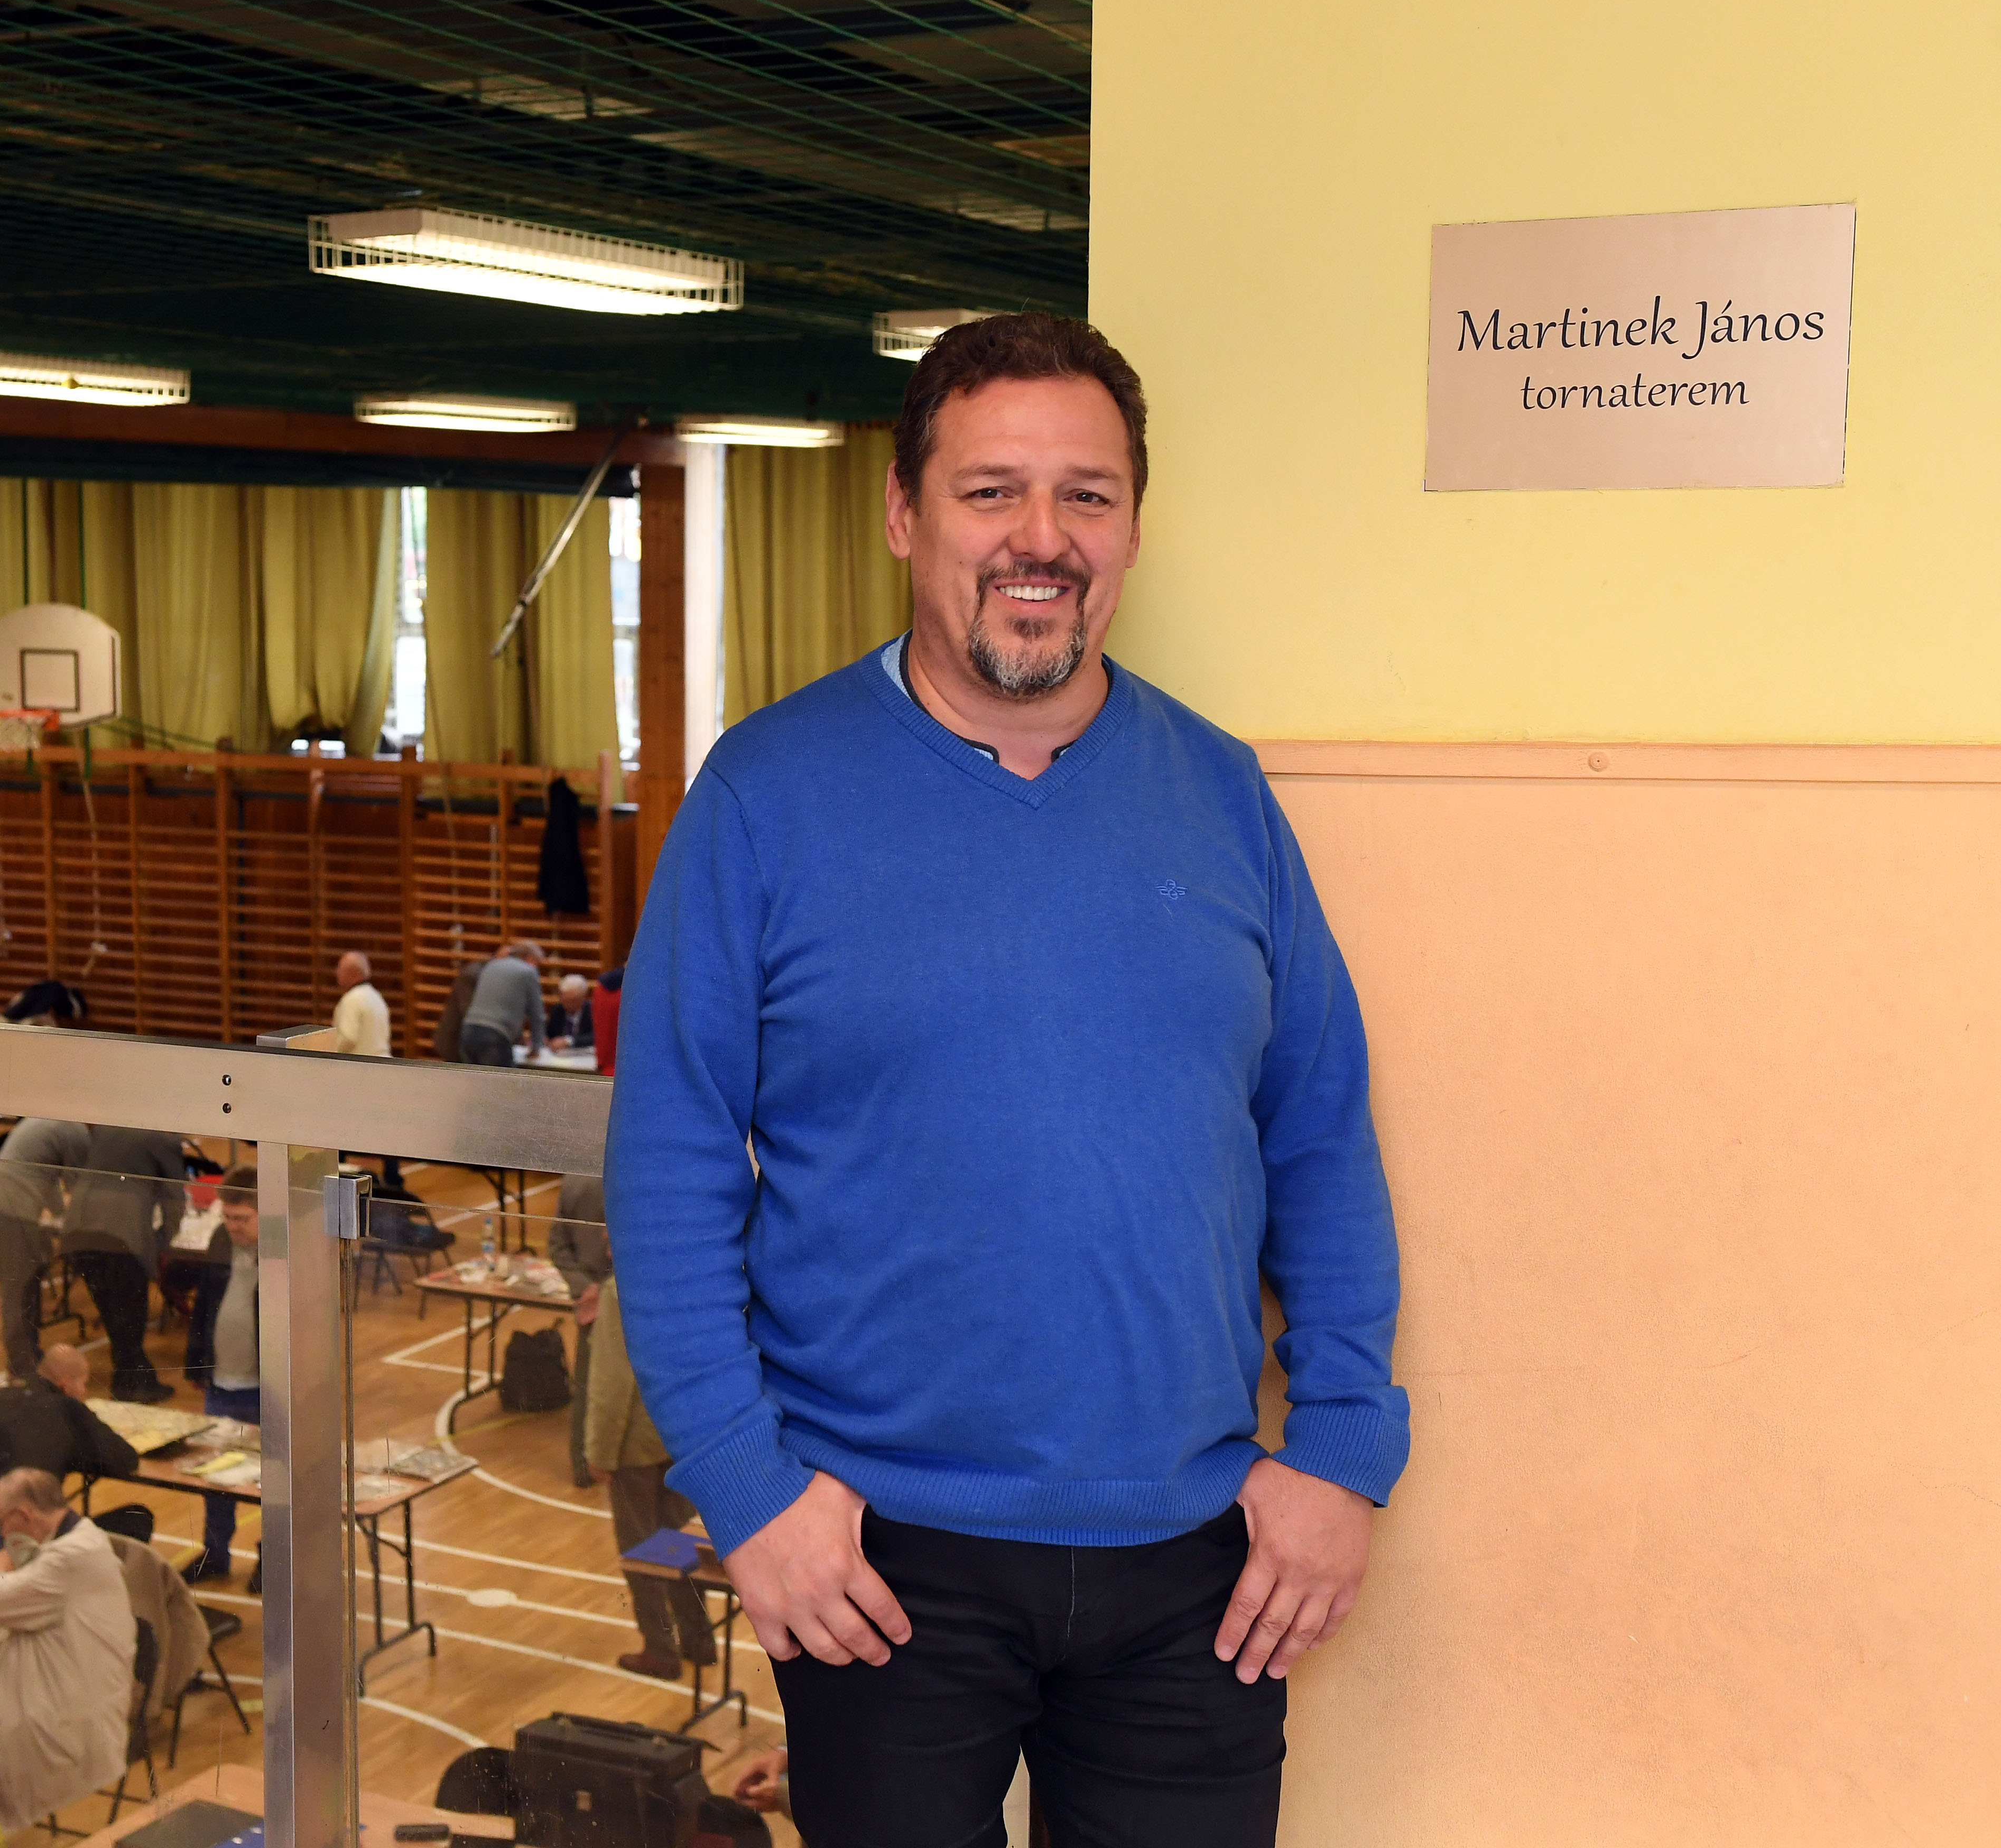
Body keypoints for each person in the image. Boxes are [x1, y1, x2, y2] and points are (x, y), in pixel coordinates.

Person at [606, 313, 1407, 1847]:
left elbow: (1316, 1133)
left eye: (1085, 495)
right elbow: (669, 1162)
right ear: (903, 515)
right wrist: (746, 1489)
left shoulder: (1221, 792)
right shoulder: (766, 795)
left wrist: (1342, 1449)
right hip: (873, 1562)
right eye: (990, 492)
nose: (1041, 537)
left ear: (1130, 529)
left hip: (1196, 1558)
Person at [0, 1467, 135, 1840]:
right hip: (44, 1696)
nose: (2, 1534)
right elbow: (8, 1636)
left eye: (1, 1523)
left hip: (60, 1725)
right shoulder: (74, 1541)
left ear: (23, 1516)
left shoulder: (69, 1559)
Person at [582, 1273, 716, 1683]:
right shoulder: (687, 1277)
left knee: (642, 1551)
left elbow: (613, 1381)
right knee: (681, 1543)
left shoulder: (620, 1290)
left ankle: (660, 1650)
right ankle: (699, 1640)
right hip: (680, 1435)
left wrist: (600, 1451)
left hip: (635, 1443)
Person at [60, 1124, 185, 1401]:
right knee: (131, 1315)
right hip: (122, 1237)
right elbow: (174, 1197)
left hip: (78, 1230)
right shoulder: (166, 1139)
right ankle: (135, 1384)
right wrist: (164, 1240)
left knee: (112, 1313)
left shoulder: (108, 1128)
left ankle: (130, 1381)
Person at [182, 1166, 262, 1585]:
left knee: (272, 1481)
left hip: (267, 1390)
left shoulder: (287, 1251)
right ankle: (215, 1554)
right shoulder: (220, 1241)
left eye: (242, 1219)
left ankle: (274, 1560)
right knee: (216, 1475)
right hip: (221, 1384)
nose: (232, 1226)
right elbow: (204, 1306)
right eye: (227, 1217)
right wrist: (196, 1361)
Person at [0, 1114, 92, 1380]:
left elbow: (47, 1177)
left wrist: (61, 1215)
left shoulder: (49, 1122)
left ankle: (28, 1356)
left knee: (25, 1283)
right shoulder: (74, 1129)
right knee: (19, 1289)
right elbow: (80, 1185)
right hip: (11, 1210)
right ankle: (22, 1364)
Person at [0, 1343, 140, 1502]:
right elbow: (126, 1458)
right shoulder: (69, 1408)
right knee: (138, 1515)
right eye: (83, 1384)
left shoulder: (1, 1396)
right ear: (65, 1384)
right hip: (28, 1520)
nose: (84, 1392)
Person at [546, 1173, 611, 1490]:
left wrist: (585, 1289)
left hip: (592, 1302)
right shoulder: (636, 1176)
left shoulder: (574, 1181)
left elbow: (557, 1246)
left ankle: (584, 1466)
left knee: (588, 1386)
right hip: (622, 1302)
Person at [331, 950, 406, 1188]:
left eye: (340, 969)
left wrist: (327, 1054)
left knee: (339, 1122)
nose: (336, 973)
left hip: (360, 1074)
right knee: (384, 1126)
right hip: (382, 1068)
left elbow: (348, 1038)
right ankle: (393, 1176)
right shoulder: (375, 997)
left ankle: (336, 1170)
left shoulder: (352, 1000)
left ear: (350, 973)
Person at [456, 940, 545, 1067]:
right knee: (503, 1079)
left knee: (474, 1078)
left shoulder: (491, 966)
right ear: (531, 958)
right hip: (495, 1036)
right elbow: (536, 1014)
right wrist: (536, 1047)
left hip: (468, 1032)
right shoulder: (528, 971)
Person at [544, 974, 595, 1053]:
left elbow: (595, 1037)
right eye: (564, 1001)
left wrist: (569, 1041)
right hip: (559, 1056)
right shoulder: (558, 1009)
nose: (567, 1005)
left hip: (583, 1056)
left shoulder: (592, 1011)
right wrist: (544, 1038)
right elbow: (549, 1034)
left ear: (583, 998)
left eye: (573, 1001)